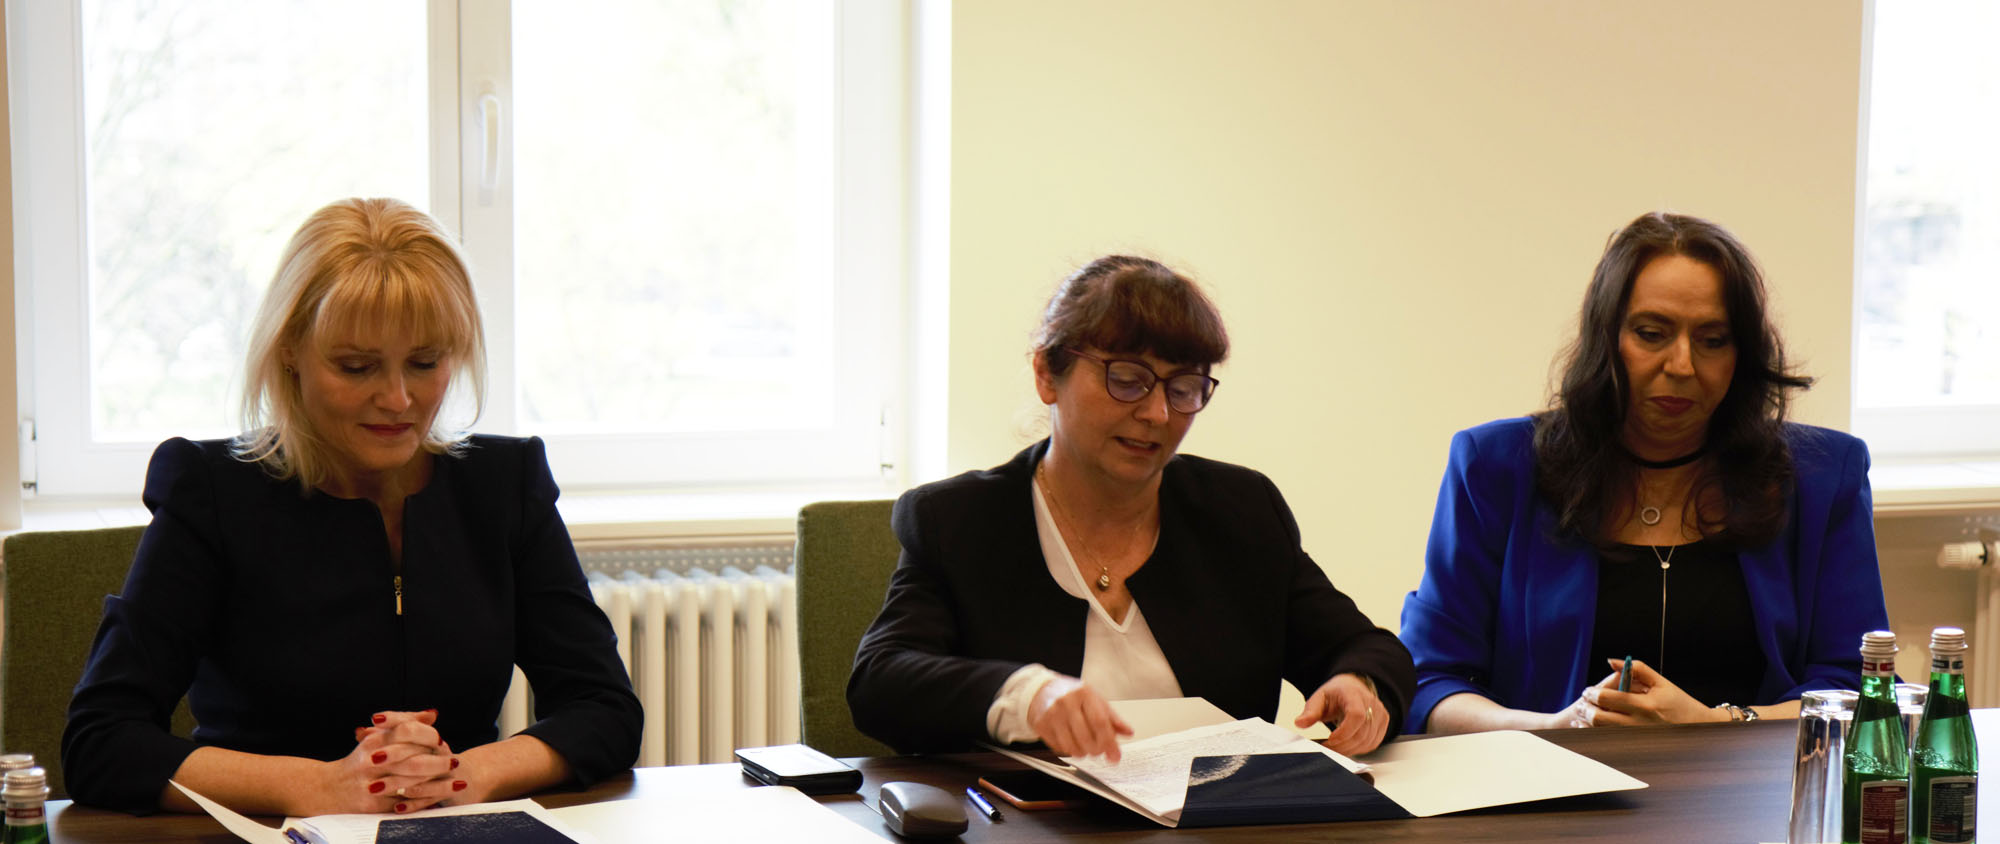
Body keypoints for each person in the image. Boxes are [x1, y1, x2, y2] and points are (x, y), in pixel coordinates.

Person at [63, 198, 641, 814]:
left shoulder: (504, 484)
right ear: (290, 348)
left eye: (425, 363)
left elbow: (604, 708)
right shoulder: (211, 491)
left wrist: (467, 774)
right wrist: (321, 787)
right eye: (357, 366)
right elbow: (102, 742)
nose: (397, 399)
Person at [848, 255, 1415, 760]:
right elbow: (881, 681)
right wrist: (1027, 695)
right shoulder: (960, 520)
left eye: (1183, 388)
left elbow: (1365, 647)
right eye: (1126, 379)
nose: (1157, 414)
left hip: (1218, 823)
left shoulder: (1239, 511)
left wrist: (1361, 686)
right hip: (1033, 823)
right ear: (1047, 375)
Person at [1398, 212, 1889, 734]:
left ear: (1742, 353)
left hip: (1752, 783)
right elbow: (1429, 681)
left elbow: (1860, 688)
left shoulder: (1822, 476)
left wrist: (1716, 724)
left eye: (1713, 340)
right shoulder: (1496, 466)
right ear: (1606, 337)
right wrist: (1557, 730)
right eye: (1652, 334)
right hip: (1548, 780)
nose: (1682, 365)